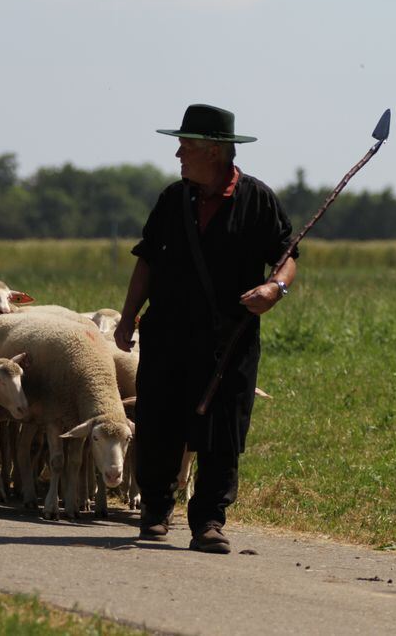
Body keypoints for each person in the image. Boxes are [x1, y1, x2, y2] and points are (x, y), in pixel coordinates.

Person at [113, 103, 298, 554]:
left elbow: (287, 255)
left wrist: (275, 289)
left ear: (214, 152)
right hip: (169, 332)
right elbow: (148, 261)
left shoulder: (258, 200)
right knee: (158, 421)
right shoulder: (172, 199)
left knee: (224, 430)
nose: (178, 155)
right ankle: (155, 512)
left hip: (229, 338)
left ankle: (210, 521)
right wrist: (126, 315)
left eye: (186, 147)